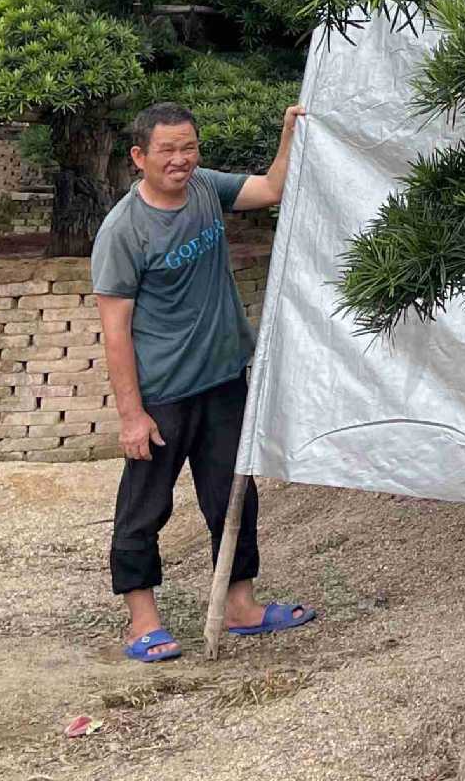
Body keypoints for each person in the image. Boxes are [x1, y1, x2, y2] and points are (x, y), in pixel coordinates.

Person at [91, 99, 318, 663]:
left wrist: (290, 132)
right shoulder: (123, 231)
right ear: (139, 156)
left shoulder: (205, 189)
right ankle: (141, 621)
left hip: (222, 382)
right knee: (145, 509)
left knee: (233, 499)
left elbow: (270, 189)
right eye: (167, 150)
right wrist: (131, 414)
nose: (180, 159)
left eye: (188, 147)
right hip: (162, 394)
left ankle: (240, 606)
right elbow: (115, 332)